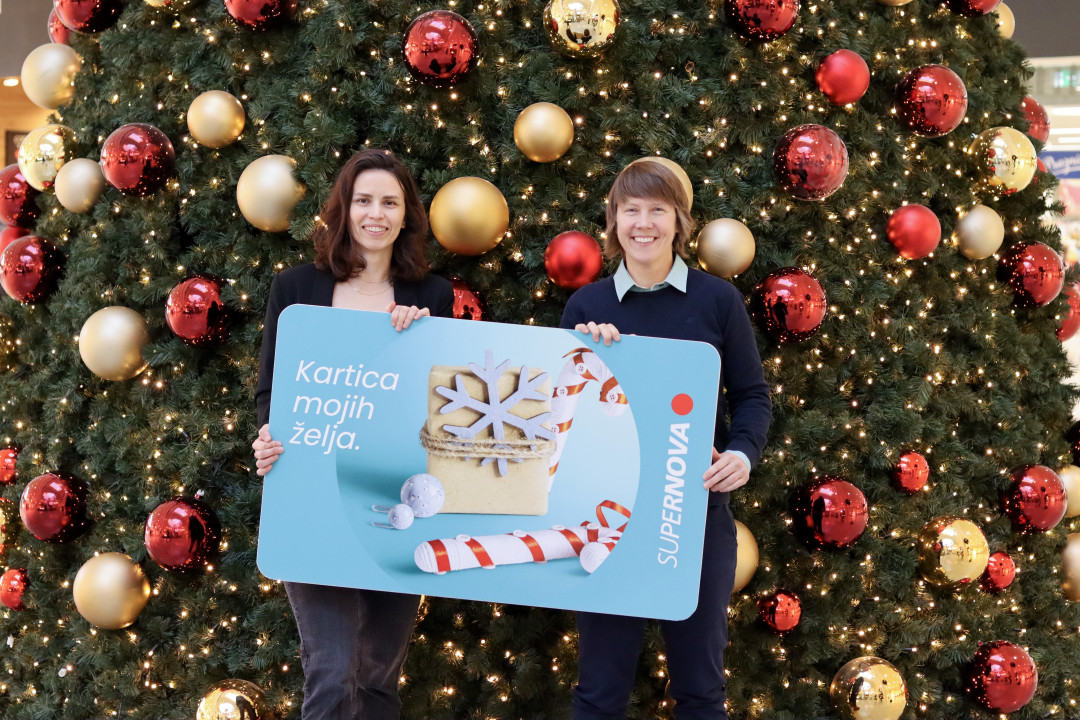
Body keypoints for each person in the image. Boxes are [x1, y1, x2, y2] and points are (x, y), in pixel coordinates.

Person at [560, 160, 772, 720]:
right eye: (631, 210)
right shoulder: (587, 307)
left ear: (679, 221)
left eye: (658, 210)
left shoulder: (718, 300)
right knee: (599, 693)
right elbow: (560, 417)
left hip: (696, 517)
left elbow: (752, 394)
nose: (644, 223)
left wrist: (742, 453)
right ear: (614, 220)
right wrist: (588, 358)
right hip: (607, 518)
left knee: (701, 692)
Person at [251, 148, 454, 720]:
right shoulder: (296, 287)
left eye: (390, 203)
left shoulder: (431, 296)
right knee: (333, 672)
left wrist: (423, 339)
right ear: (344, 209)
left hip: (394, 505)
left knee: (378, 680)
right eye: (363, 200)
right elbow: (272, 391)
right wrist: (267, 437)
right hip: (311, 501)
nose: (376, 214)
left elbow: (441, 404)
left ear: (406, 215)